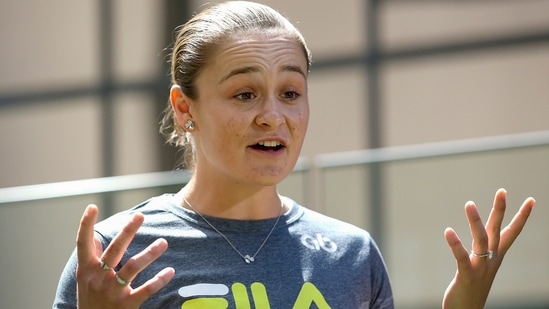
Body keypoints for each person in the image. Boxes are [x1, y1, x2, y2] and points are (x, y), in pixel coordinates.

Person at [53, 1, 536, 308]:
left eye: (290, 92)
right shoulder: (115, 253)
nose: (272, 116)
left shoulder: (351, 254)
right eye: (245, 94)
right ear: (185, 108)